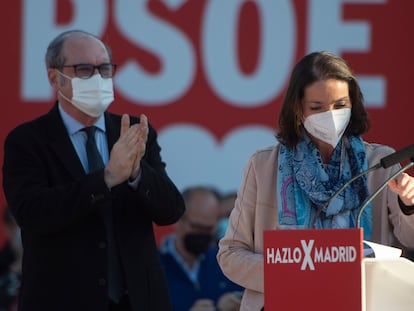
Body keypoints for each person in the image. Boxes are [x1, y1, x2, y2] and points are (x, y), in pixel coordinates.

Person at [2, 30, 185, 311]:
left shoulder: (135, 132)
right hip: (62, 300)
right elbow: (32, 213)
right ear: (55, 78)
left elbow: (171, 210)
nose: (98, 77)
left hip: (137, 300)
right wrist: (107, 178)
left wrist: (137, 174)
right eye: (84, 69)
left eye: (104, 68)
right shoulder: (27, 141)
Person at [216, 51, 414, 310]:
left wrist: (408, 204)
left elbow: (409, 240)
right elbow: (230, 254)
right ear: (297, 109)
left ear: (353, 105)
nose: (330, 116)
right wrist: (292, 274)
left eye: (340, 105)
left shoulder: (380, 163)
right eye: (317, 107)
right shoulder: (263, 165)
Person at [158, 186, 243, 311]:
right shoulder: (152, 266)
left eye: (208, 229)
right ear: (178, 219)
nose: (202, 234)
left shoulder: (226, 263)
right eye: (197, 227)